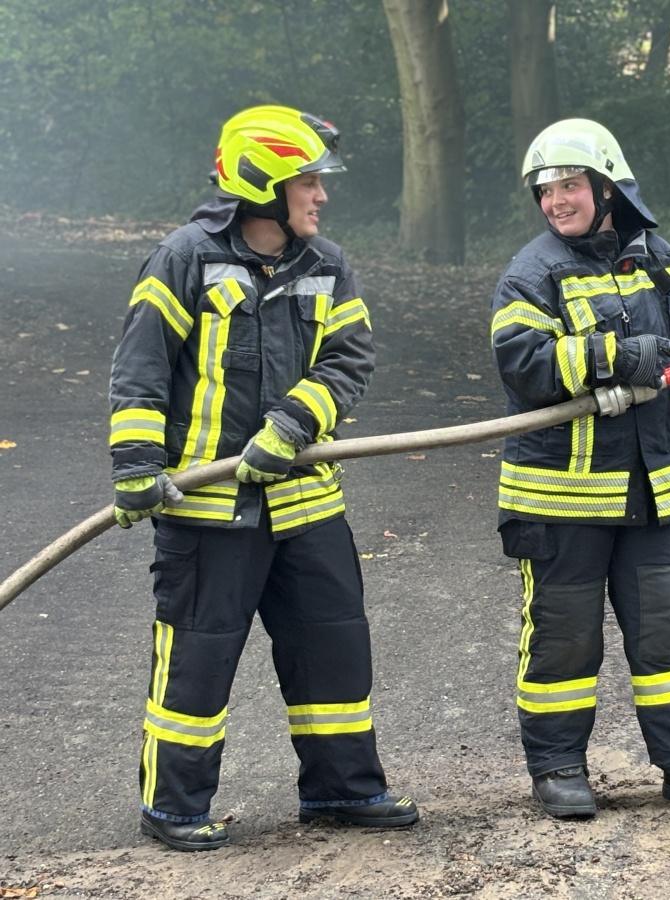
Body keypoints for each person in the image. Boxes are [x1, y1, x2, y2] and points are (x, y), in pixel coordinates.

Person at [108, 104, 417, 851]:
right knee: (197, 662)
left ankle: (342, 791)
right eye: (309, 181)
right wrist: (137, 466)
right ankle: (174, 807)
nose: (321, 195)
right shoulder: (183, 258)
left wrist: (294, 423)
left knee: (332, 649)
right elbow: (141, 369)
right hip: (209, 512)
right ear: (266, 183)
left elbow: (349, 360)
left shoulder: (328, 266)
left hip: (307, 503)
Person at [488, 118, 670, 818]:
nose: (556, 201)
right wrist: (620, 358)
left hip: (655, 490)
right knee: (564, 638)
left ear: (607, 186)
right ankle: (557, 768)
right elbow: (523, 364)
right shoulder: (531, 274)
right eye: (545, 191)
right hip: (562, 500)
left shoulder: (658, 257)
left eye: (569, 185)